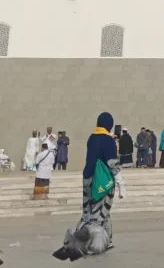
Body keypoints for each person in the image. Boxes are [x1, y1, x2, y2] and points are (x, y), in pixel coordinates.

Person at [53, 112, 126, 261]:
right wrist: (121, 183)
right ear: (109, 125)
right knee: (98, 215)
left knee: (90, 211)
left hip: (88, 178)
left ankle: (102, 240)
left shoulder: (91, 138)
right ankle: (93, 245)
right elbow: (112, 163)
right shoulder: (108, 141)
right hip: (102, 181)